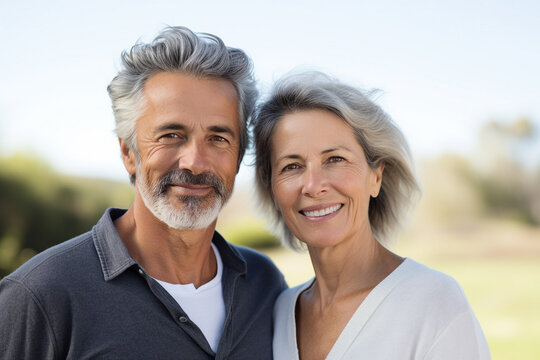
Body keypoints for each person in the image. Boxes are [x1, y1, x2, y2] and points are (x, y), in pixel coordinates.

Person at [0, 26, 286, 359]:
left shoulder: (264, 285)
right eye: (171, 135)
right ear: (128, 153)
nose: (194, 162)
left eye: (218, 138)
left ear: (238, 156)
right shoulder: (41, 295)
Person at [253, 71, 491, 360]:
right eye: (291, 166)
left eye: (335, 159)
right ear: (272, 188)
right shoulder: (280, 312)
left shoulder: (433, 301)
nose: (313, 186)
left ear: (376, 177)